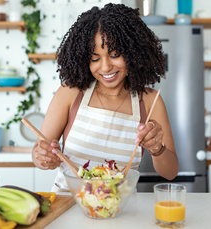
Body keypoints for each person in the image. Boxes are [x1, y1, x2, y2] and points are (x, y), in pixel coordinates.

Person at [31, 3, 179, 192]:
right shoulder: (71, 92)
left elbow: (171, 172)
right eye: (95, 58)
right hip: (67, 208)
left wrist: (157, 149)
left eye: (115, 54)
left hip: (120, 210)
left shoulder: (150, 100)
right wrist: (43, 158)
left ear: (134, 52)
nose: (105, 67)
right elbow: (38, 153)